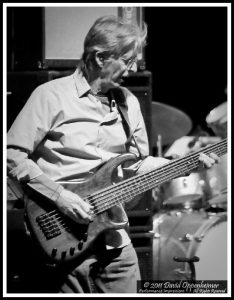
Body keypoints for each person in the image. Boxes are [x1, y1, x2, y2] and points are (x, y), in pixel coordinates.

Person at [7, 15, 220, 294]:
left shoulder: (127, 102)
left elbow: (138, 163)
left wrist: (184, 165)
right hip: (62, 236)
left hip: (114, 239)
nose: (132, 70)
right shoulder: (50, 96)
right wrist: (61, 197)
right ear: (99, 58)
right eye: (127, 60)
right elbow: (12, 154)